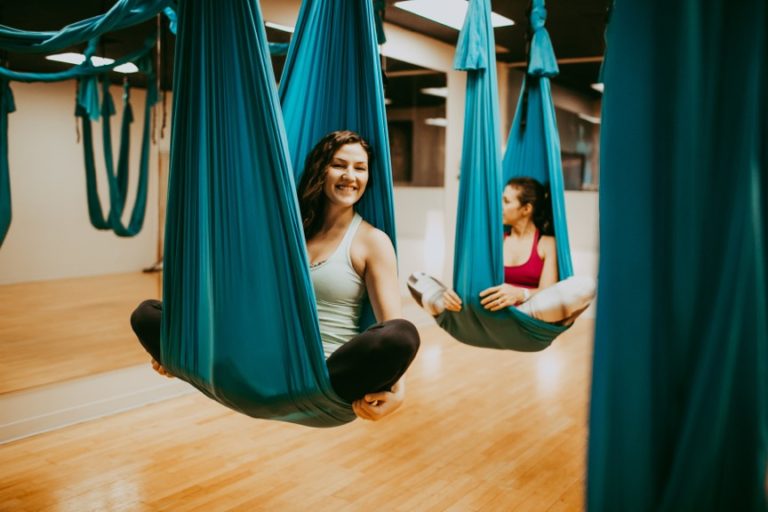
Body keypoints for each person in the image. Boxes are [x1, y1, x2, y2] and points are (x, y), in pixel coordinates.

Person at [131, 131, 420, 422]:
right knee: (146, 314)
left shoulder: (372, 241)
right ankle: (202, 364)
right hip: (261, 366)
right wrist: (175, 344)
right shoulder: (291, 233)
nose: (350, 175)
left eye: (360, 168)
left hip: (325, 380)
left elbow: (390, 321)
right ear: (321, 169)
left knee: (401, 334)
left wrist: (400, 390)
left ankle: (283, 381)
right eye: (339, 165)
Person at [408, 176, 595, 324]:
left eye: (506, 201)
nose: (500, 206)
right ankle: (449, 307)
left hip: (528, 312)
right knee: (415, 279)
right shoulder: (495, 242)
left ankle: (516, 316)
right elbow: (475, 284)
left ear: (526, 209)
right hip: (488, 313)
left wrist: (519, 294)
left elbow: (548, 292)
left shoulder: (547, 243)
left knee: (587, 285)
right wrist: (453, 294)